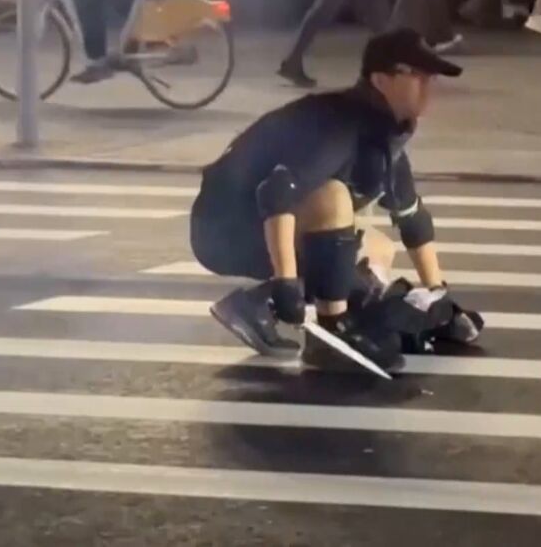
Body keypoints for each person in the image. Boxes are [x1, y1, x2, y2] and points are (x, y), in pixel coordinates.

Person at [191, 28, 483, 374]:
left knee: (377, 250)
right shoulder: (336, 123)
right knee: (333, 200)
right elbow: (276, 192)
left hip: (259, 221)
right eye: (416, 75)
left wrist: (438, 293)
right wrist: (287, 282)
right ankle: (330, 334)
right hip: (225, 227)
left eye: (430, 77)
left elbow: (412, 217)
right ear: (381, 80)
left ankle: (256, 305)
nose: (428, 86)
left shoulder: (384, 130)